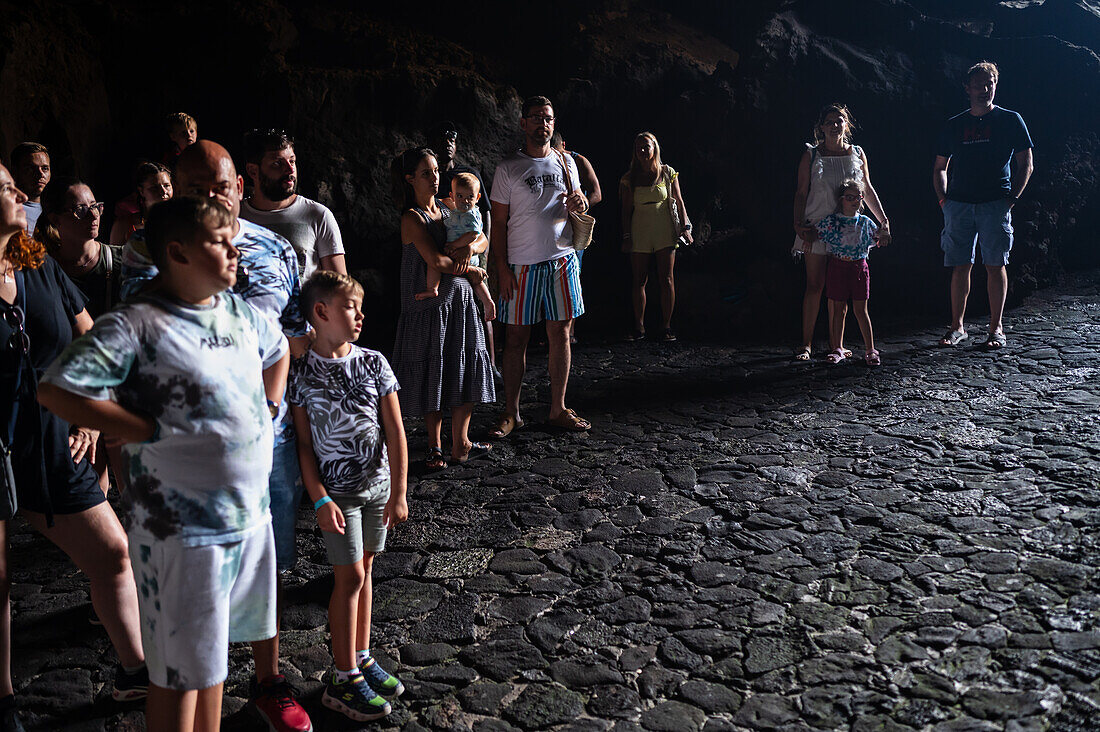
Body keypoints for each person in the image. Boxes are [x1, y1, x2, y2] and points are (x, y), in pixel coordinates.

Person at [39, 196, 290, 732]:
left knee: (213, 661)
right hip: (182, 536)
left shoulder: (238, 310)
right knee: (177, 678)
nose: (236, 251)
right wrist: (141, 427)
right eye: (221, 243)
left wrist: (269, 407)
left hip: (247, 521)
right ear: (177, 252)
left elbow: (279, 349)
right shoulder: (139, 323)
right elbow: (59, 389)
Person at [119, 140, 312, 732]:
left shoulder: (276, 248)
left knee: (260, 572)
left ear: (238, 184)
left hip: (265, 449)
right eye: (198, 186)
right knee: (188, 632)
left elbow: (291, 338)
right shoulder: (154, 259)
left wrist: (271, 405)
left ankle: (265, 681)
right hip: (184, 478)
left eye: (221, 185)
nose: (213, 195)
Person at [0, 164, 148, 728]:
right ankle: (5, 702)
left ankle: (135, 673)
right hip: (1, 449)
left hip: (53, 447)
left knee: (112, 551)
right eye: (6, 186)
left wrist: (88, 412)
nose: (20, 193)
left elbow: (94, 342)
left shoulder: (41, 271)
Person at [289, 271, 408, 723]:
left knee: (367, 571)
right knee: (350, 578)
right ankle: (341, 677)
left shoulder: (374, 363)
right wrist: (319, 498)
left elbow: (394, 433)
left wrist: (398, 491)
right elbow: (304, 444)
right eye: (350, 307)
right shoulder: (301, 373)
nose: (360, 315)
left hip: (377, 488)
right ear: (321, 312)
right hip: (339, 497)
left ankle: (359, 655)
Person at [488, 96, 591, 438]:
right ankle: (511, 412)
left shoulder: (566, 162)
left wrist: (582, 201)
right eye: (535, 118)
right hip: (522, 265)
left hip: (562, 261)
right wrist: (500, 268)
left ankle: (557, 408)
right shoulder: (508, 169)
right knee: (516, 338)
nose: (541, 124)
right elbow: (498, 224)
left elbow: (579, 202)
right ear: (523, 123)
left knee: (561, 334)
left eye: (546, 118)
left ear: (553, 122)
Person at [390, 147, 495, 470]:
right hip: (430, 308)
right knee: (432, 373)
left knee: (462, 370)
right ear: (410, 180)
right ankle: (435, 447)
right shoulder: (412, 217)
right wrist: (473, 270)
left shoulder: (448, 207)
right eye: (426, 173)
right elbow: (434, 261)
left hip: (459, 305)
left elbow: (481, 238)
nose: (435, 177)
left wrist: (473, 248)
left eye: (436, 171)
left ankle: (460, 443)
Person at [934, 61, 1033, 349]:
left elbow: (1026, 162)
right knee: (960, 266)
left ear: (995, 85)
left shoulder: (1011, 119)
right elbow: (940, 165)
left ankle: (996, 329)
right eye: (977, 84)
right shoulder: (955, 124)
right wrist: (944, 200)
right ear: (967, 88)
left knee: (995, 264)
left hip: (994, 204)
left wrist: (1012, 198)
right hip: (959, 205)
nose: (983, 89)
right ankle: (957, 328)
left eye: (988, 83)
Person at [792, 103, 890, 361]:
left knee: (841, 290)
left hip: (847, 230)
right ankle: (806, 344)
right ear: (821, 127)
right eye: (830, 121)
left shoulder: (857, 153)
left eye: (840, 120)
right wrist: (798, 223)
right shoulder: (812, 155)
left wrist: (883, 221)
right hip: (817, 225)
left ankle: (837, 345)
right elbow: (801, 192)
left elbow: (866, 188)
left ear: (847, 125)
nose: (836, 125)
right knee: (815, 285)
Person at [432, 122, 498, 373]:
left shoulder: (468, 174)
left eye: (451, 139)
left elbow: (485, 214)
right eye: (441, 139)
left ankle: (490, 365)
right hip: (445, 251)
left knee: (482, 302)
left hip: (469, 248)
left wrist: (483, 252)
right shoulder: (433, 178)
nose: (447, 144)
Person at [240, 129, 347, 278]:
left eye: (292, 161)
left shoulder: (318, 215)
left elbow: (340, 288)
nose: (290, 170)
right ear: (253, 171)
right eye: (277, 163)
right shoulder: (235, 216)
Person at [619, 132, 690, 342]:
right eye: (639, 147)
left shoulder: (667, 173)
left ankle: (666, 326)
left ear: (654, 148)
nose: (642, 151)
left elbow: (678, 200)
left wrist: (685, 227)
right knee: (639, 279)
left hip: (663, 230)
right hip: (640, 228)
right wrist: (626, 236)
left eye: (646, 146)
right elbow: (625, 210)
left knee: (666, 279)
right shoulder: (629, 178)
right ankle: (639, 326)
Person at [815, 179, 882, 365]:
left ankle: (870, 349)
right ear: (841, 199)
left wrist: (884, 235)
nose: (854, 201)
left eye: (858, 197)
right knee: (838, 309)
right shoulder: (832, 221)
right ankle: (837, 347)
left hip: (859, 268)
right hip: (837, 267)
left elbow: (880, 236)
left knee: (861, 310)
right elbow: (815, 232)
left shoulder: (866, 223)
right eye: (849, 197)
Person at [36, 177, 122, 320]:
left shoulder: (121, 260)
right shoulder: (44, 269)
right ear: (56, 219)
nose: (94, 215)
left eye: (95, 206)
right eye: (81, 210)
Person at [416, 173, 496, 320]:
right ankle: (432, 289)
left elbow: (478, 236)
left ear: (477, 198)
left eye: (469, 197)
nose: (465, 200)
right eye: (460, 196)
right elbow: (436, 261)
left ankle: (488, 302)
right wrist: (468, 269)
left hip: (462, 255)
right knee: (436, 267)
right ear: (453, 195)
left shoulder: (467, 213)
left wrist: (466, 248)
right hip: (455, 260)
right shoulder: (452, 210)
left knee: (477, 281)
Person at [551, 133, 601, 344]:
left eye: (558, 150)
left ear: (564, 145)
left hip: (574, 227)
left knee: (573, 277)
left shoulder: (578, 161)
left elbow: (597, 193)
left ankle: (570, 332)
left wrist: (582, 206)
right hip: (553, 229)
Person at [109, 161, 173, 246]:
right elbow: (114, 258)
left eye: (167, 185)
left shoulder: (182, 221)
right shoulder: (124, 225)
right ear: (141, 191)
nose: (163, 192)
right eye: (154, 188)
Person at [9, 143, 50, 235]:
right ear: (15, 172)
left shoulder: (57, 211)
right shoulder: (8, 211)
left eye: (45, 168)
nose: (40, 174)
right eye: (31, 168)